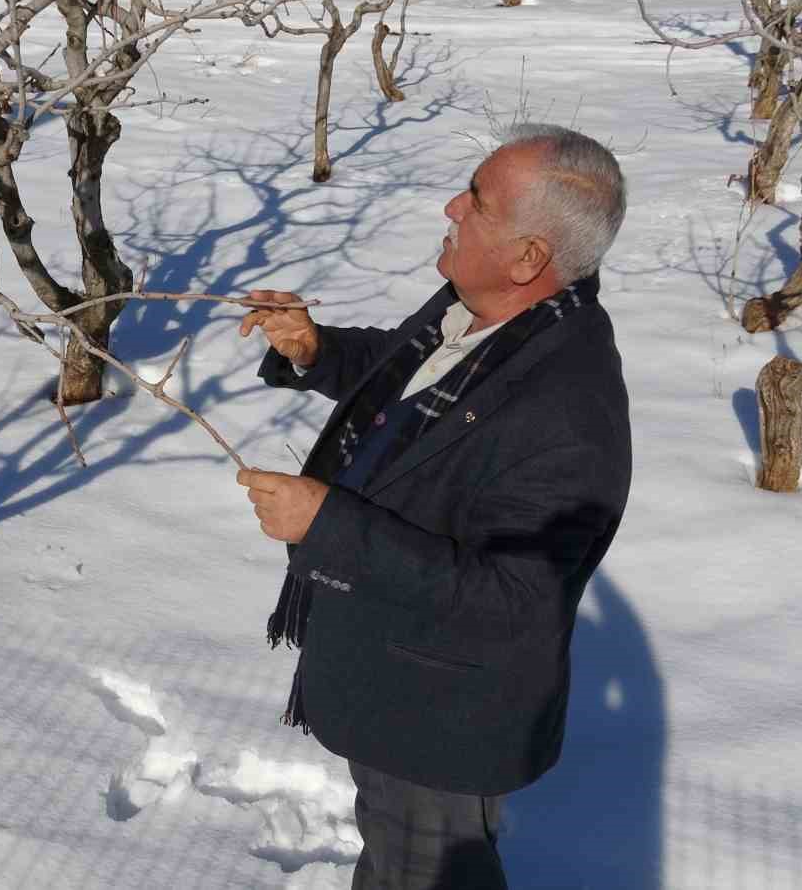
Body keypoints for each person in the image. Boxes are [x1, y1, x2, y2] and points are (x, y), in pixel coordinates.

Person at [235, 123, 632, 889]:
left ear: (528, 258)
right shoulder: (489, 312)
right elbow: (410, 379)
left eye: (476, 201)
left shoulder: (569, 412)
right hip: (391, 673)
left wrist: (328, 526)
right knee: (392, 857)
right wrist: (317, 351)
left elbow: (514, 600)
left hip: (439, 717)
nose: (452, 206)